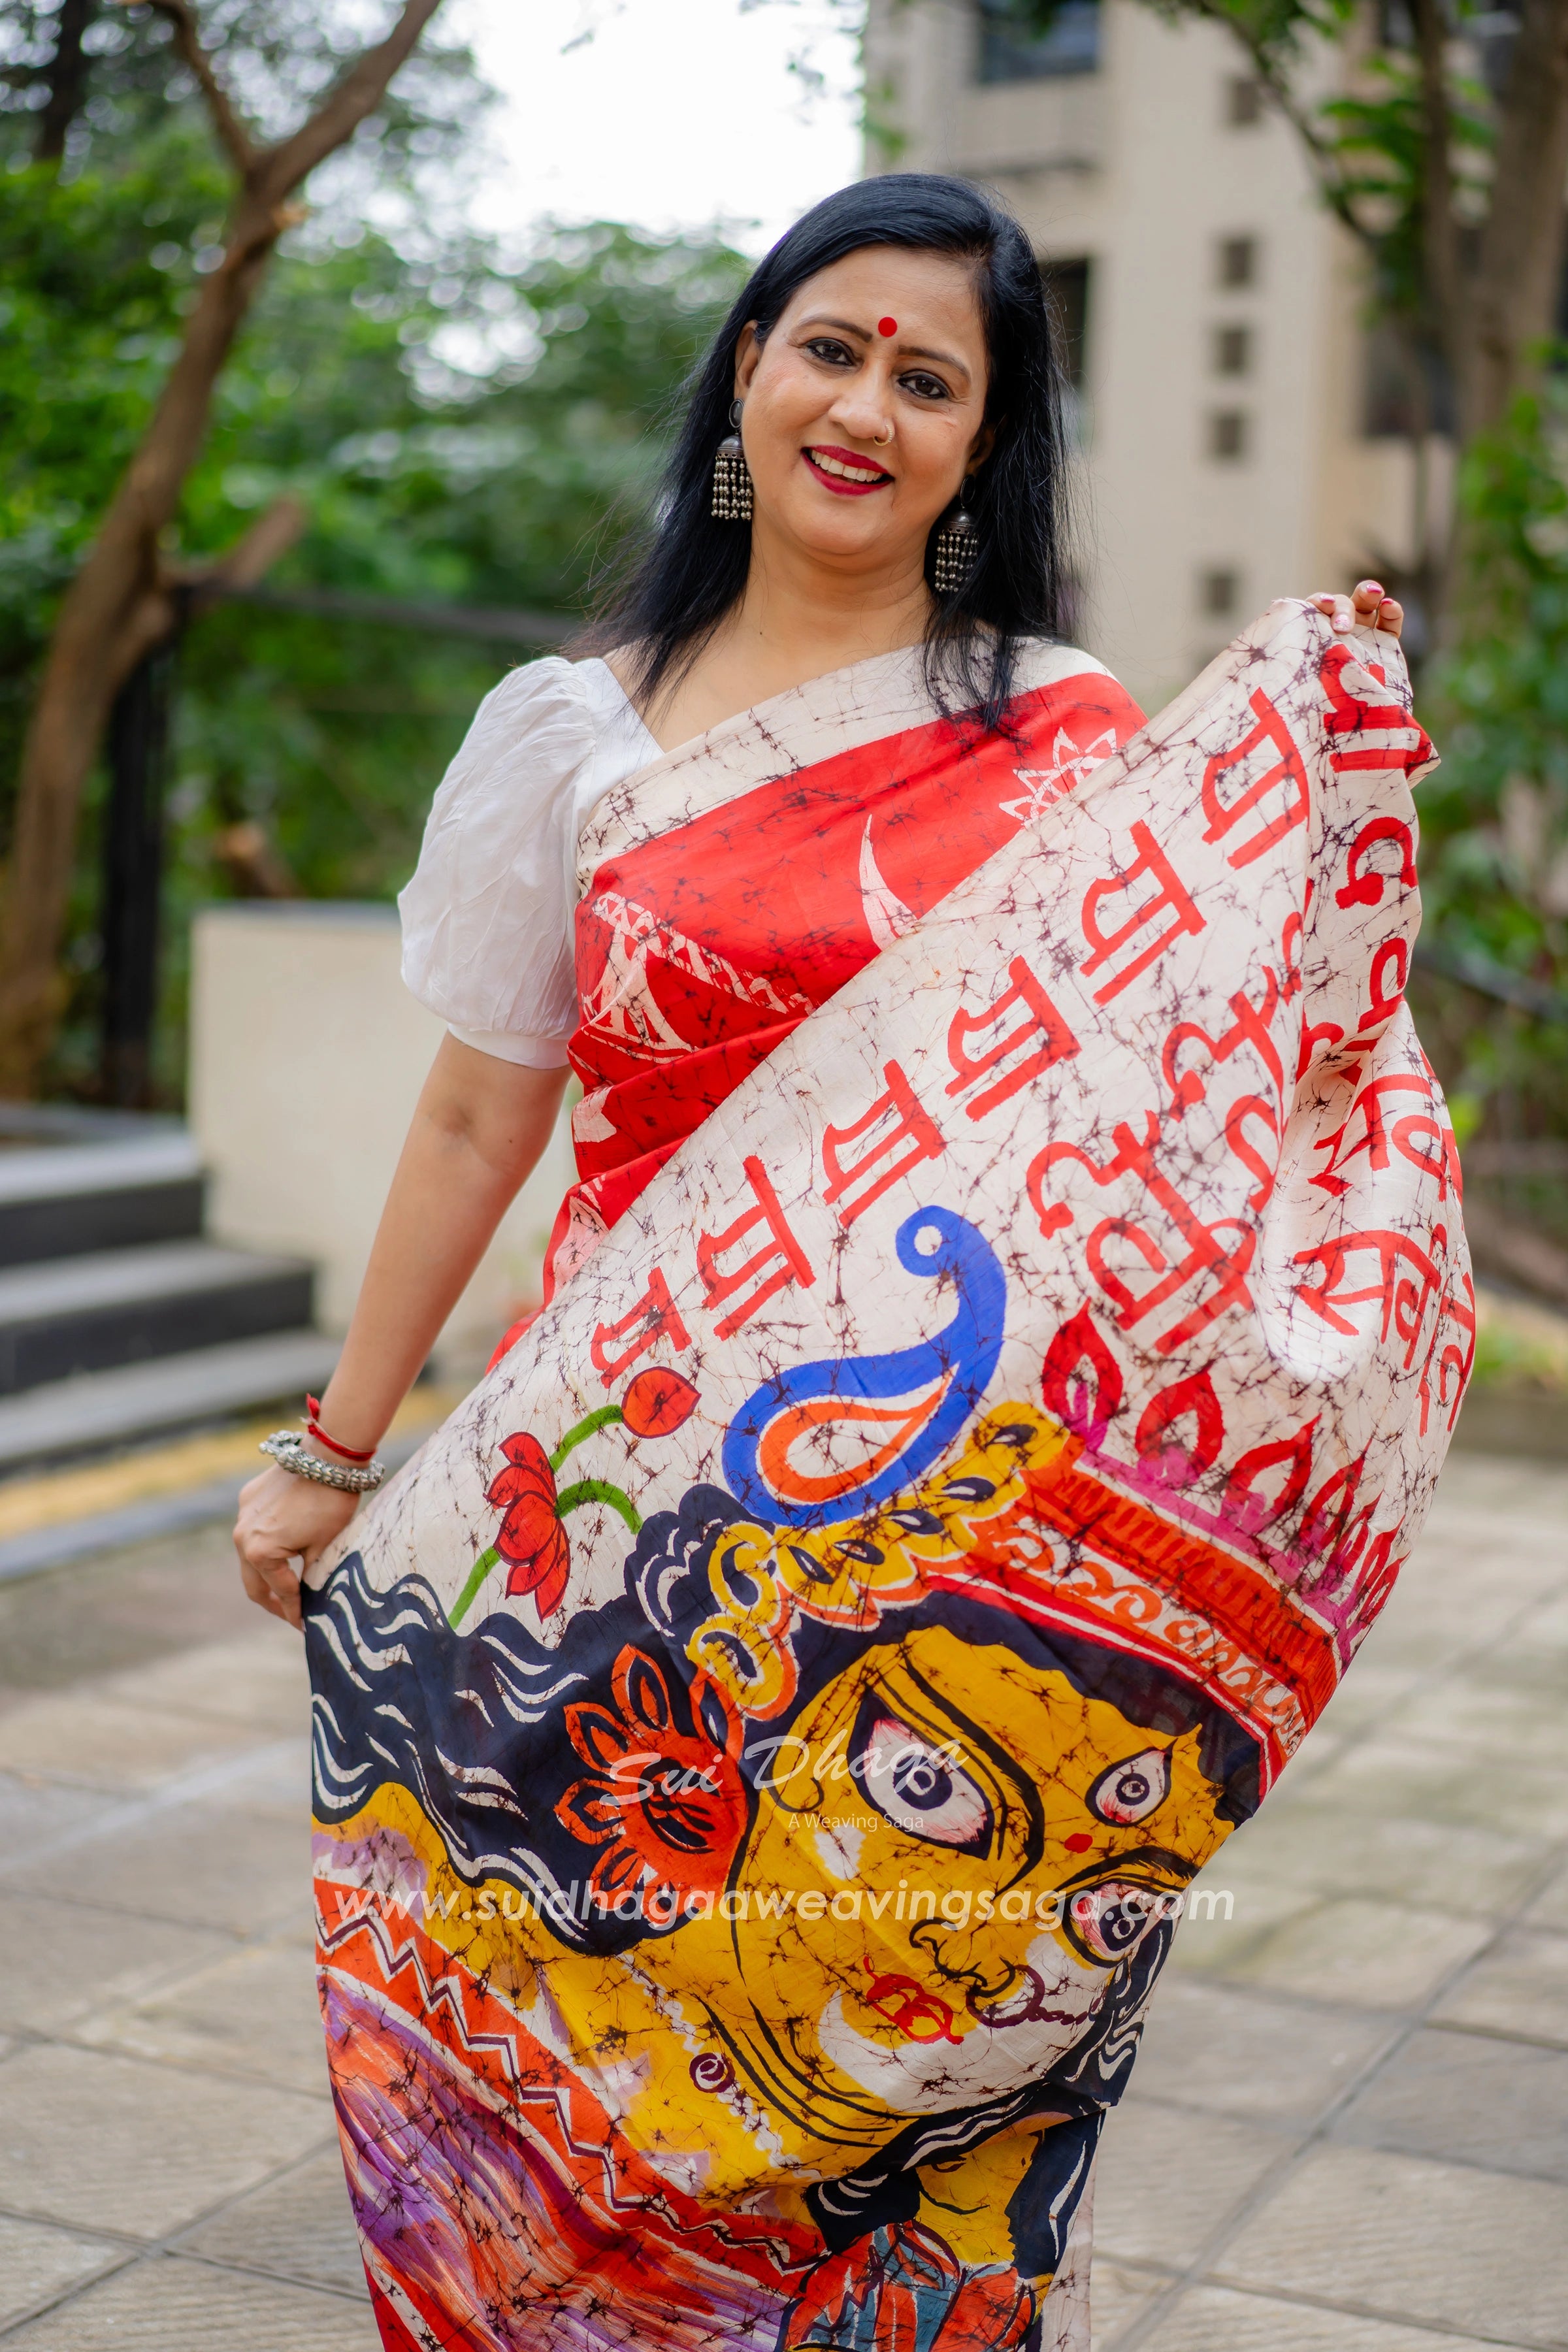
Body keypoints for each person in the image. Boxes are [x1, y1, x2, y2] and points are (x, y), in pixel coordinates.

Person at [234, 176, 1424, 2350]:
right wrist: (337, 1446)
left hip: (958, 1558)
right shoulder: (575, 733)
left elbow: (1215, 1076)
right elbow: (482, 1114)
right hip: (619, 1523)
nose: (867, 403)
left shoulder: (1065, 741)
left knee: (903, 2085)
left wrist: (1303, 761)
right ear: (749, 375)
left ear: (985, 444)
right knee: (590, 2057)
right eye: (832, 347)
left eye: (930, 376)